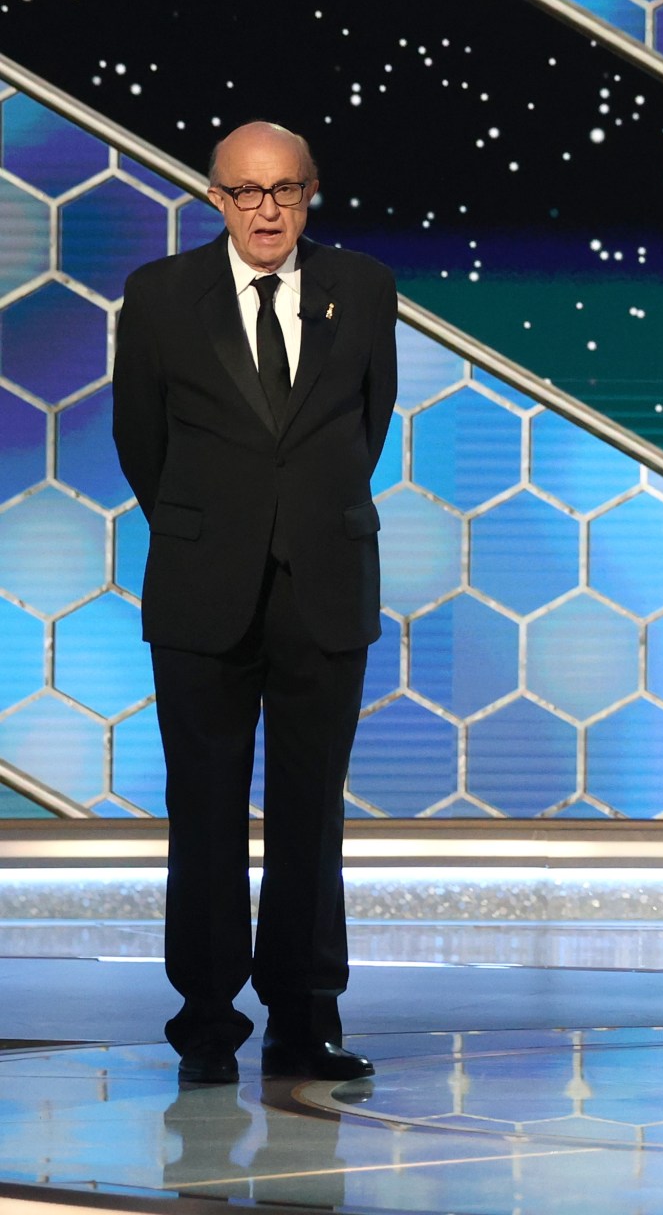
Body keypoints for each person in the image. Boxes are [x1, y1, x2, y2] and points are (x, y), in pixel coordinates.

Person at [112, 122, 398, 1086]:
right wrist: (215, 529)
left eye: (285, 191)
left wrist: (304, 518)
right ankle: (203, 1020)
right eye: (246, 192)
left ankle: (304, 1018)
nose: (266, 210)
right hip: (202, 591)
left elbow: (370, 421)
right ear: (216, 198)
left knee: (313, 816)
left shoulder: (362, 287)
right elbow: (140, 442)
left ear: (312, 193)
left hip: (325, 584)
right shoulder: (157, 297)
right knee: (202, 813)